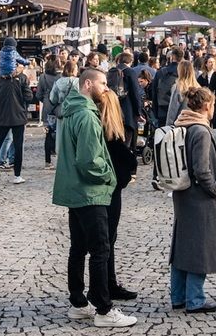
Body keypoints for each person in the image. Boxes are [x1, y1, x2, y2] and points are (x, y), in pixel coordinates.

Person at [51, 69, 137, 328]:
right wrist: (109, 177)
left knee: (78, 248)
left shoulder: (70, 110)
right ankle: (103, 308)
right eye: (102, 83)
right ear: (87, 84)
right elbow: (89, 160)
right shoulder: (87, 116)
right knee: (100, 249)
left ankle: (78, 302)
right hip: (90, 192)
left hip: (73, 190)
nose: (106, 87)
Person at [169, 87, 216, 313]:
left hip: (183, 193)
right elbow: (202, 170)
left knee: (183, 245)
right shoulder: (200, 131)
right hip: (199, 197)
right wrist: (214, 190)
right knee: (199, 247)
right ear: (206, 106)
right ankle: (195, 299)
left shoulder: (182, 124)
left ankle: (178, 296)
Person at [96, 89, 139, 301]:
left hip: (107, 187)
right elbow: (127, 160)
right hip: (110, 188)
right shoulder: (109, 132)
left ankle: (108, 283)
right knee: (106, 240)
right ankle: (105, 286)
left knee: (105, 240)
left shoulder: (100, 128)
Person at [0, 65, 33, 184]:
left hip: (2, 116)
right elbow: (29, 96)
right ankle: (17, 175)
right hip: (18, 117)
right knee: (18, 147)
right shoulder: (22, 78)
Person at [111, 52, 146, 150]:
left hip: (114, 110)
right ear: (130, 61)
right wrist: (138, 112)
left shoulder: (112, 71)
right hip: (128, 112)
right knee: (127, 143)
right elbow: (135, 93)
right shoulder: (130, 72)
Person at [37, 56, 63, 170]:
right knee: (61, 133)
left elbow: (38, 94)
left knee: (48, 134)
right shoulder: (61, 77)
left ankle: (48, 161)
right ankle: (61, 159)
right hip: (59, 106)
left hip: (47, 106)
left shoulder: (42, 77)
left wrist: (45, 99)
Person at [164, 60, 202, 127]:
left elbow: (172, 109)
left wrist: (168, 126)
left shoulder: (178, 87)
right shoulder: (198, 87)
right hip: (195, 123)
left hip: (181, 123)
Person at [149, 49, 180, 125]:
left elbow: (154, 93)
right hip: (180, 111)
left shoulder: (161, 72)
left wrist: (155, 112)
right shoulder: (184, 72)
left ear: (170, 58)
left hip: (162, 109)